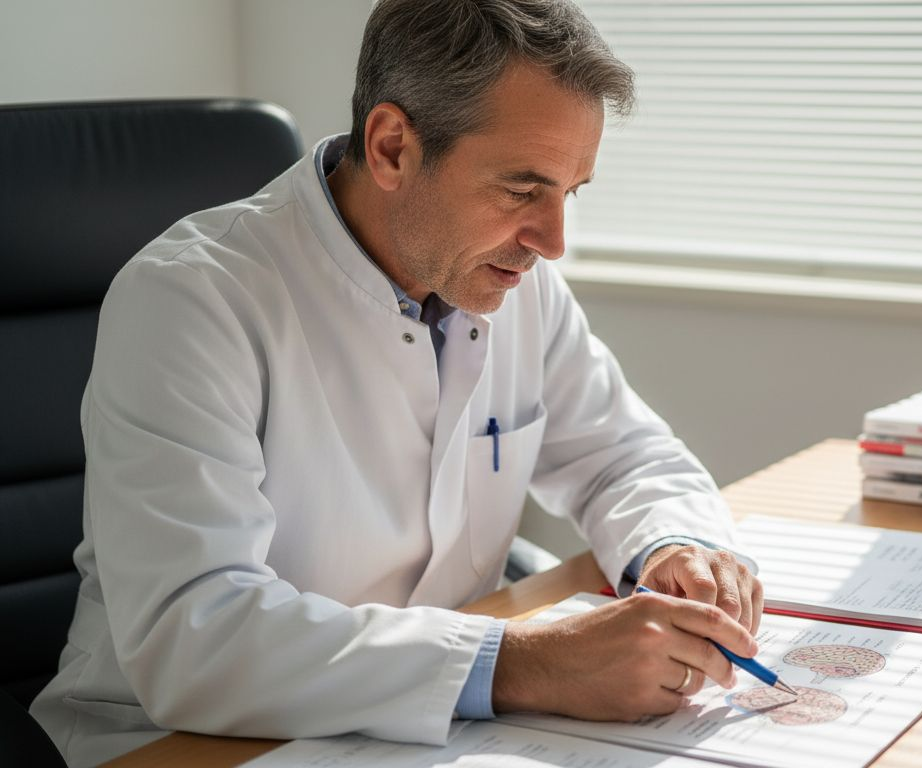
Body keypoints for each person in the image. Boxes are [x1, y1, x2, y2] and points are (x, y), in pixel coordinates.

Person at [30, 1, 762, 765]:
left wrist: (676, 544)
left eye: (569, 192)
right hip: (185, 742)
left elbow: (621, 454)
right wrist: (527, 664)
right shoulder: (191, 299)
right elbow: (195, 635)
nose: (552, 242)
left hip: (434, 730)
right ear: (391, 148)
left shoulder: (508, 279)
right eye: (521, 190)